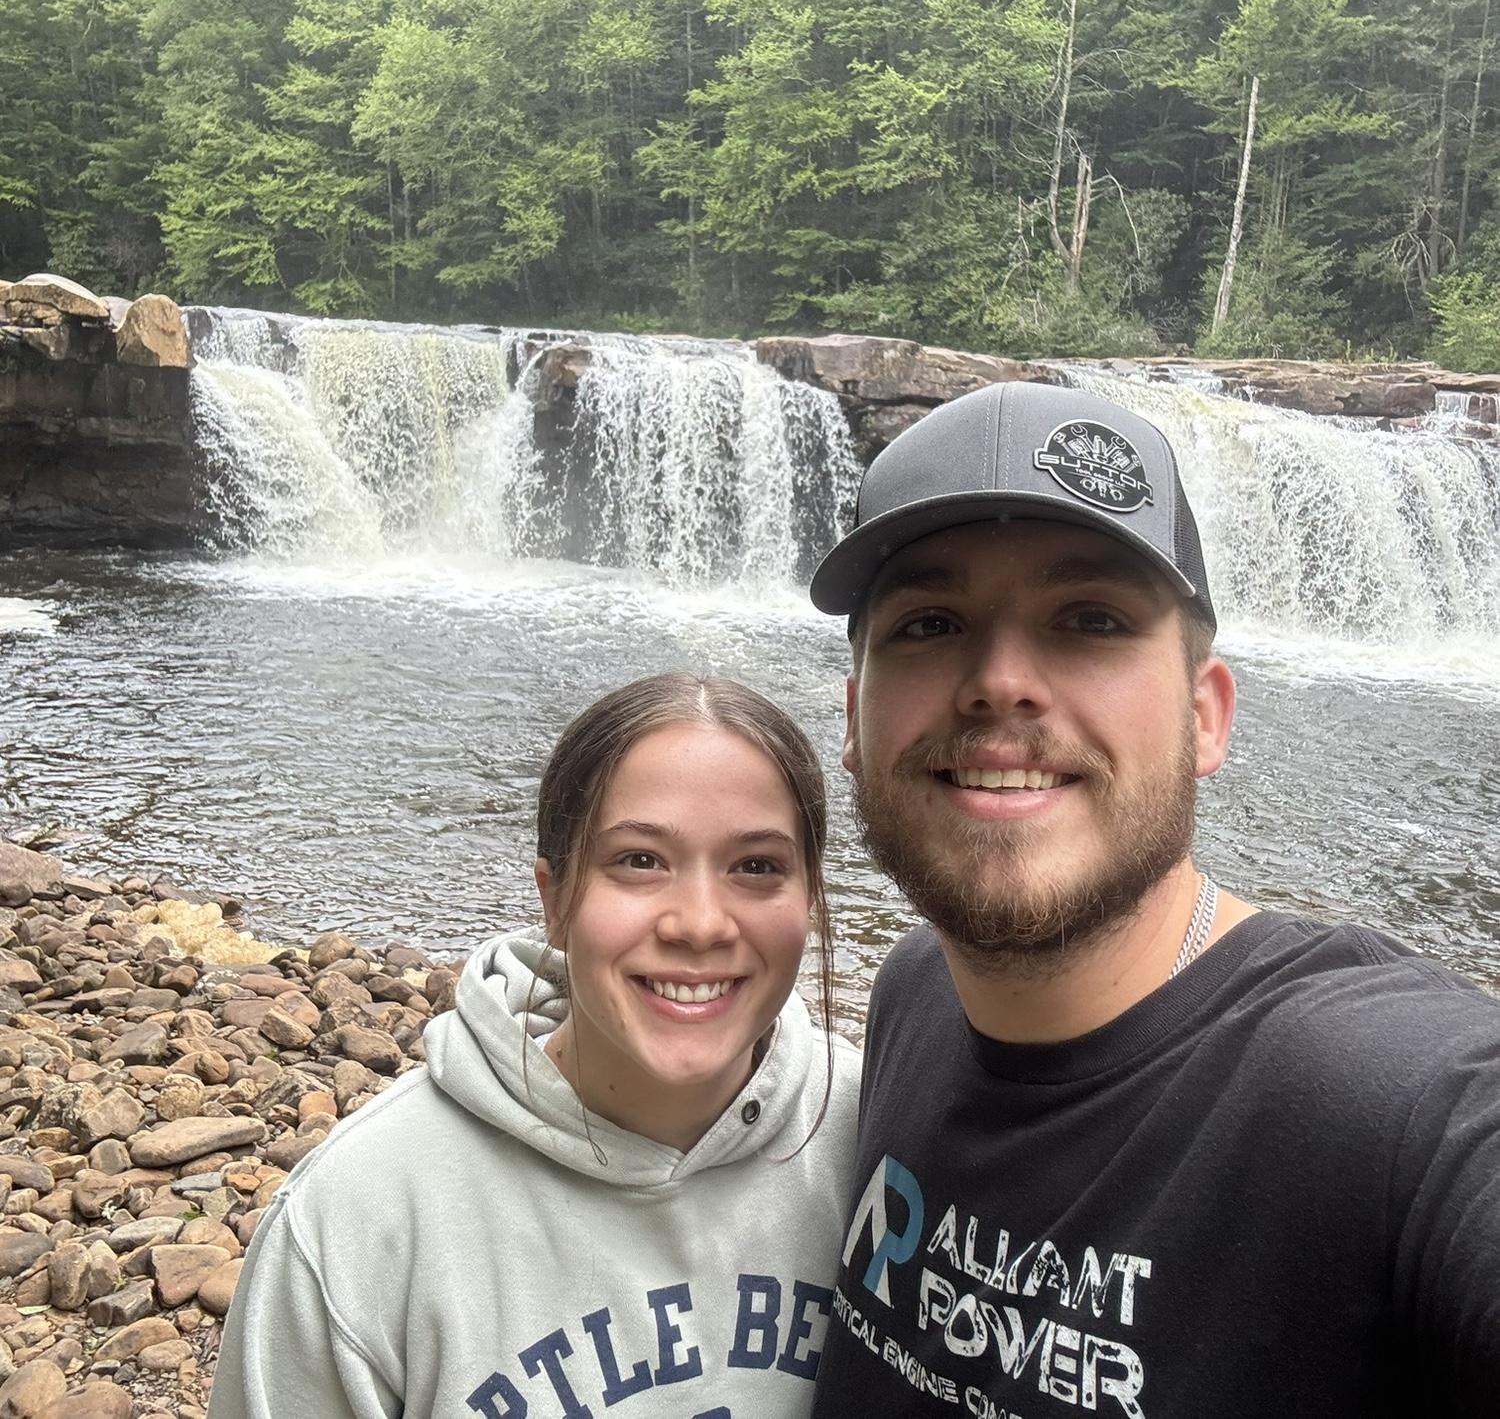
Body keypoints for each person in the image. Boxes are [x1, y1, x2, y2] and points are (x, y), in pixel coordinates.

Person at [805, 381, 1500, 1418]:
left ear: (1205, 717)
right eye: (930, 622)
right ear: (856, 722)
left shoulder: (1395, 1105)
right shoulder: (915, 991)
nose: (1001, 681)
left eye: (1090, 619)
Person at [209, 673, 860, 1418]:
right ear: (555, 900)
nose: (700, 924)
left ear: (809, 897)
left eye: (757, 866)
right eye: (640, 860)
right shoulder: (358, 1216)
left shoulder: (882, 1138)